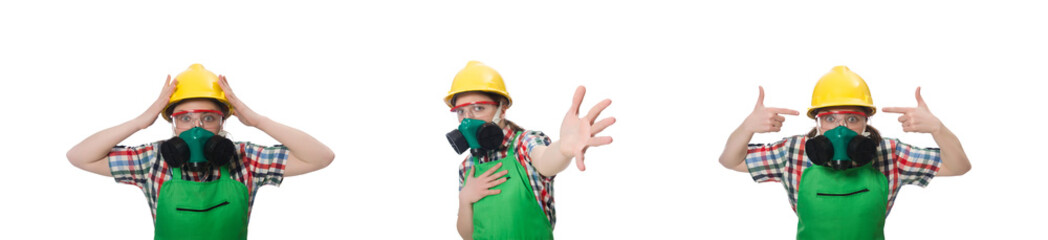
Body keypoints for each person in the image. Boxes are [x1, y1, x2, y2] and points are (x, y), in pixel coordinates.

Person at [66, 64, 335, 240]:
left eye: (208, 118)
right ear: (173, 123)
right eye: (185, 119)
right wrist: (141, 120)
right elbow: (79, 156)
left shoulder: (246, 160)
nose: (197, 128)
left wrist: (256, 120)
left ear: (222, 123)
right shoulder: (152, 160)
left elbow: (321, 157)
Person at [718, 66, 971, 240]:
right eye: (829, 119)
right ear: (818, 123)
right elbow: (730, 160)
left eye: (852, 118)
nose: (841, 129)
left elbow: (959, 166)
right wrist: (748, 128)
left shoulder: (890, 154)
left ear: (865, 124)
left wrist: (937, 128)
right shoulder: (793, 151)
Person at [449, 61, 615, 239]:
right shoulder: (467, 166)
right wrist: (465, 199)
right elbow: (468, 235)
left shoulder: (524, 143)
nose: (467, 120)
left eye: (478, 108)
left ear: (502, 108)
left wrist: (562, 149)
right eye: (460, 112)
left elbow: (545, 160)